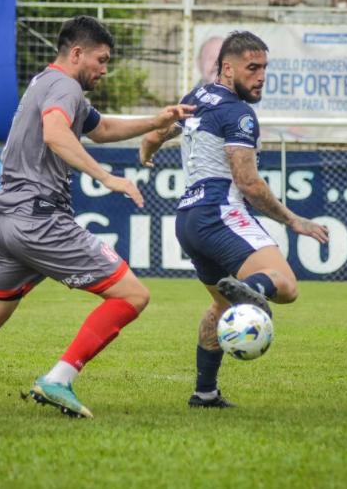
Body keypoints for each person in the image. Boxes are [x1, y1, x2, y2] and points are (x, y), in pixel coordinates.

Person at [0, 15, 195, 418]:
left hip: (6, 220)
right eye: (102, 59)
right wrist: (108, 177)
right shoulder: (65, 86)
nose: (105, 70)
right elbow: (55, 135)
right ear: (77, 53)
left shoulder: (46, 83)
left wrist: (158, 120)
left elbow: (103, 128)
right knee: (133, 294)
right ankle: (59, 379)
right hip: (38, 218)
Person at [139, 31, 329, 408]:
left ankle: (205, 392)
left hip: (188, 220)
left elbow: (163, 130)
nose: (261, 77)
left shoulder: (197, 97)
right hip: (219, 212)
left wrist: (147, 147)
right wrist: (293, 221)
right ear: (227, 69)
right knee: (286, 286)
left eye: (264, 68)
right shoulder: (240, 114)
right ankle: (253, 289)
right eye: (252, 68)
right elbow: (248, 183)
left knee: (221, 307)